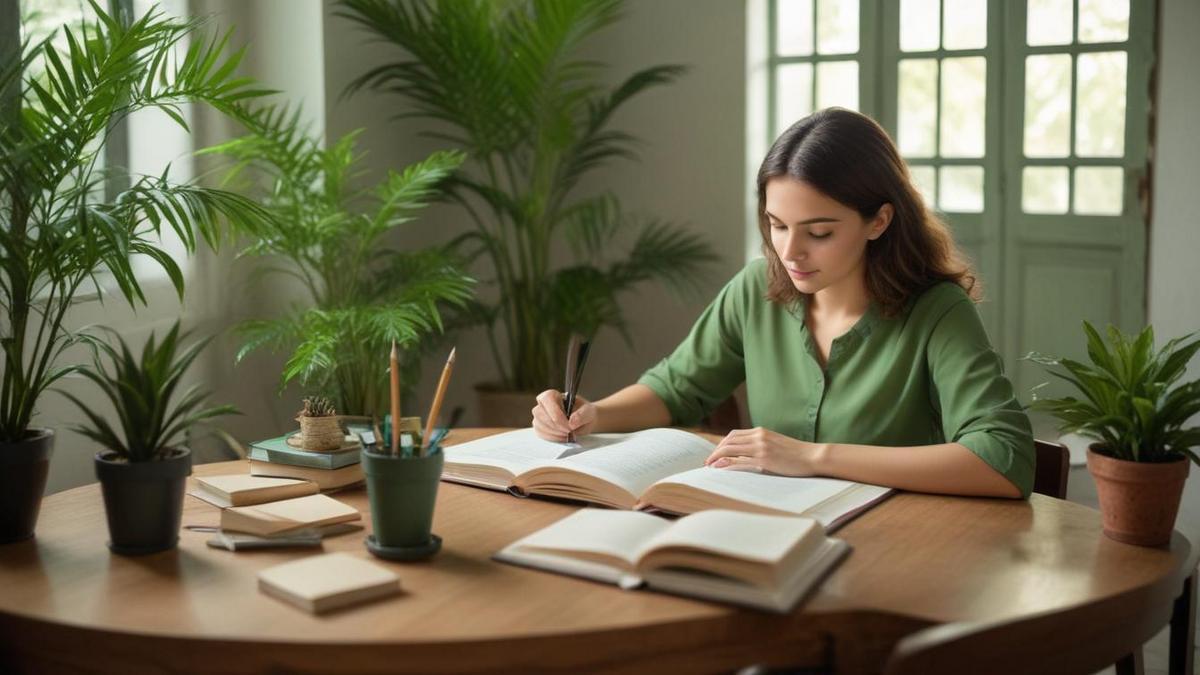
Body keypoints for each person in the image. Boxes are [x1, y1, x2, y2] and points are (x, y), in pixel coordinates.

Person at [531, 108, 1034, 499]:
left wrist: (813, 457)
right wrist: (591, 414)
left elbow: (1003, 458)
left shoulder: (937, 311)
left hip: (893, 545)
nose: (789, 252)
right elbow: (675, 389)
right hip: (763, 531)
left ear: (878, 221)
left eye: (818, 232)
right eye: (776, 225)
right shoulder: (756, 288)